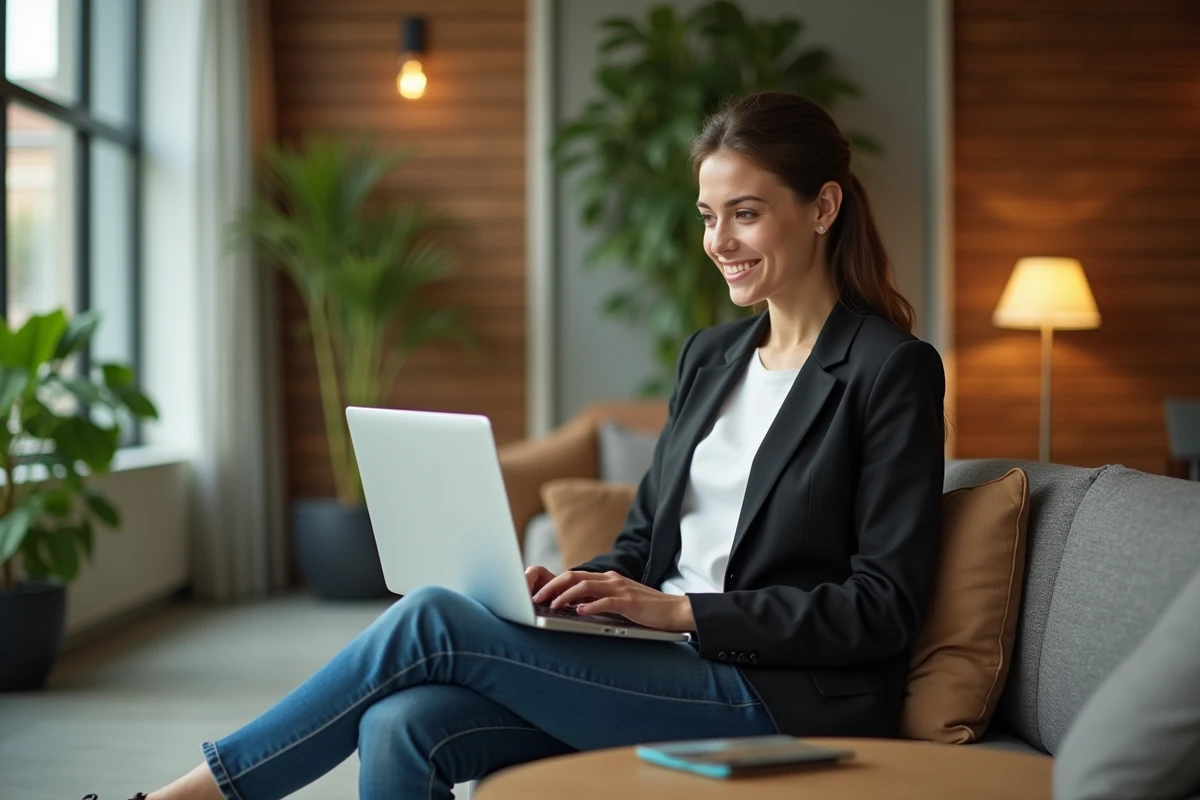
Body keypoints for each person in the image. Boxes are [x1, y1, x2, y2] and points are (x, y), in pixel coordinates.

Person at [105, 89, 946, 800]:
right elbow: (644, 544)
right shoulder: (712, 357)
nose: (718, 242)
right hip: (663, 661)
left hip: (777, 695)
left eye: (746, 214)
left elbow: (882, 605)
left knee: (434, 615)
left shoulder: (889, 370)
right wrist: (583, 588)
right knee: (400, 723)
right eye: (708, 216)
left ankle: (190, 797)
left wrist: (684, 611)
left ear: (823, 208)